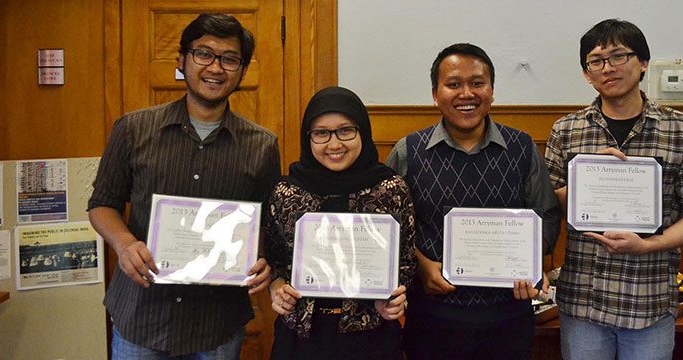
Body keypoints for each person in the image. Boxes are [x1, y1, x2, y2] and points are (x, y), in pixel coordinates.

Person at [87, 13, 281, 358]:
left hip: (217, 321)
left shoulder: (262, 145)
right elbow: (102, 204)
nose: (215, 68)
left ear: (243, 70)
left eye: (229, 59)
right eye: (203, 54)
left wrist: (263, 260)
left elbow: (265, 223)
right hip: (141, 314)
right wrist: (126, 244)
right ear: (182, 60)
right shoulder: (134, 129)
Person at [544, 19, 683, 360]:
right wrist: (587, 174)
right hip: (583, 300)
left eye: (618, 56)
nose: (607, 68)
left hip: (649, 299)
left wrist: (648, 245)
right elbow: (549, 200)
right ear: (587, 74)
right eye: (596, 61)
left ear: (643, 63)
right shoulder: (566, 130)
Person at [386, 43, 561, 360]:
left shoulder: (521, 147)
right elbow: (388, 227)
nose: (466, 93)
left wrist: (532, 263)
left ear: (492, 91)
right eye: (453, 84)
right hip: (432, 319)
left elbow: (546, 215)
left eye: (477, 83)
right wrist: (421, 266)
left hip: (508, 317)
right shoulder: (407, 152)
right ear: (435, 94)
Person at [264, 86, 416, 359]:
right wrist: (278, 291)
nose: (334, 144)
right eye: (321, 133)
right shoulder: (287, 193)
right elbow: (274, 260)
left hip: (370, 337)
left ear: (363, 132)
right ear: (308, 138)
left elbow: (405, 262)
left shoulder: (390, 190)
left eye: (345, 130)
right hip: (300, 337)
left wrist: (391, 300)